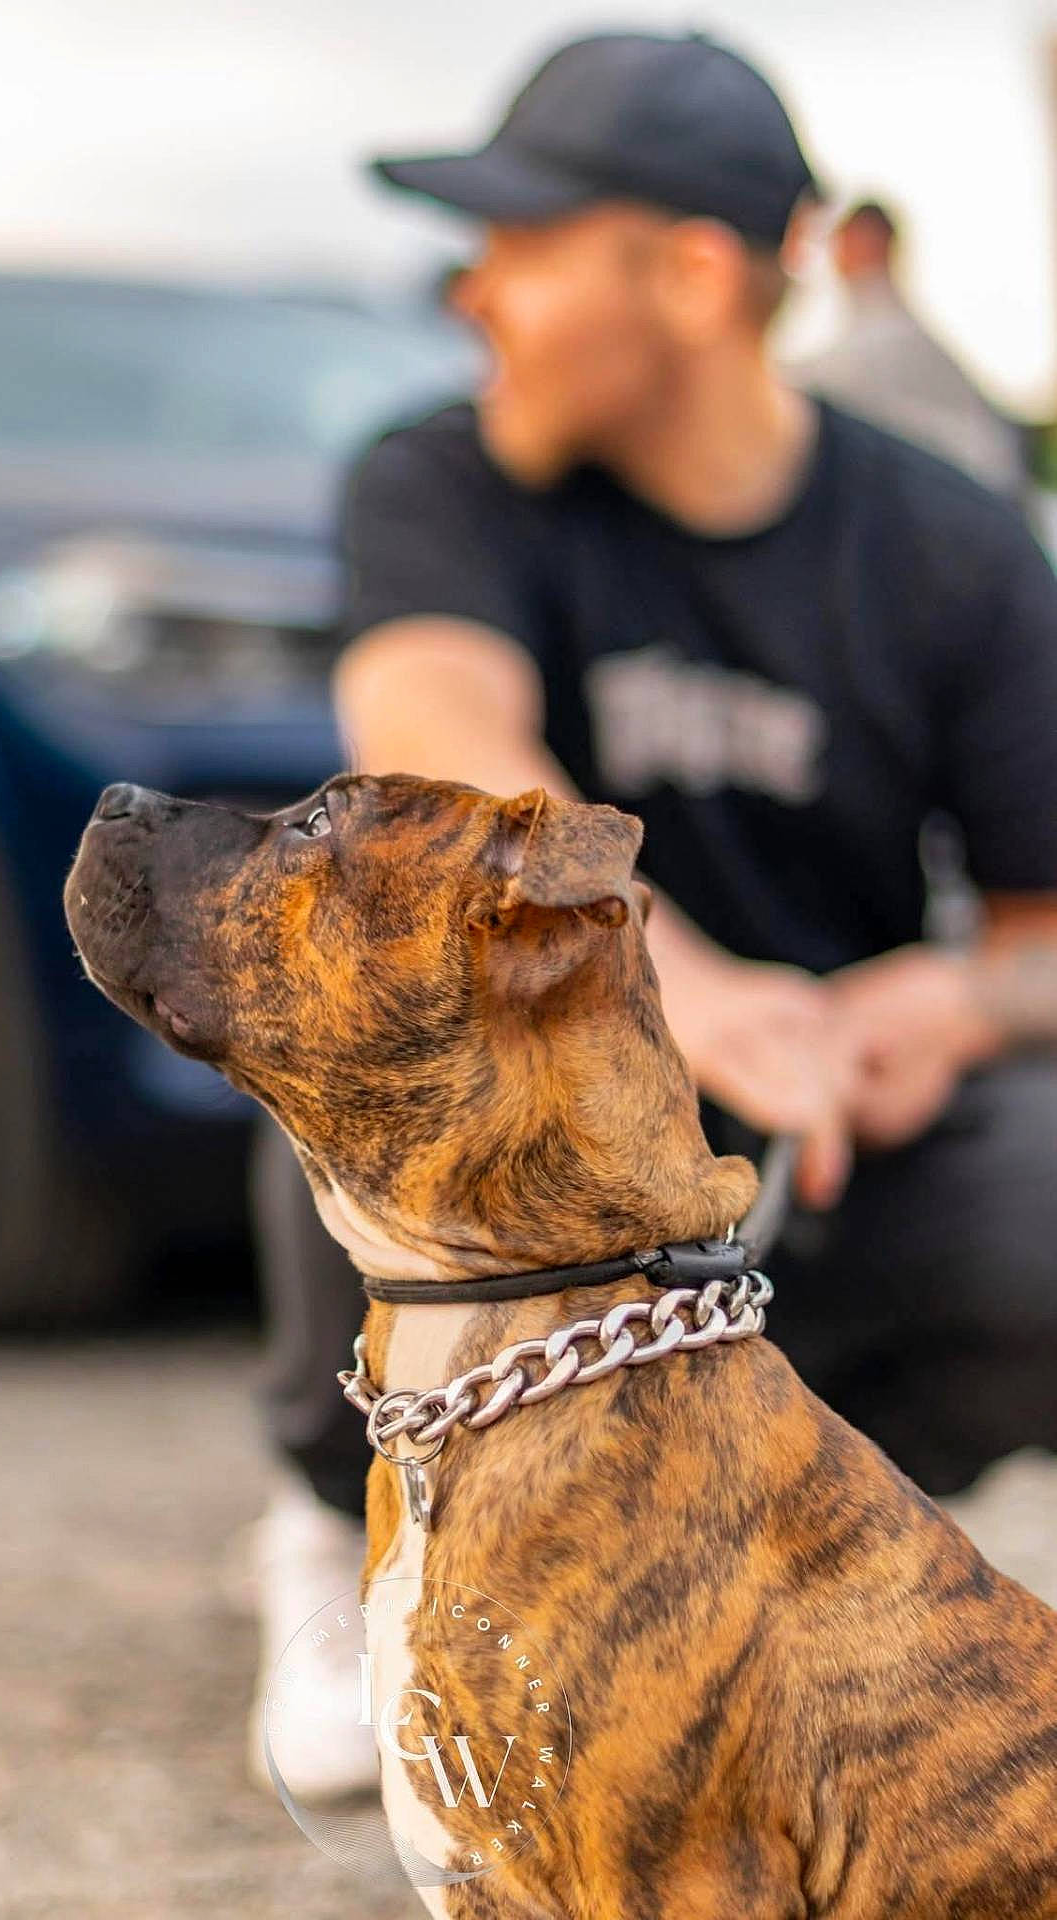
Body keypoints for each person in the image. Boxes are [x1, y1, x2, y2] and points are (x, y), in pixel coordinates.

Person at [244, 29, 1057, 1798]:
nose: (472, 294)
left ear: (690, 273)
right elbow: (436, 749)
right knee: (380, 994)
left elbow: (1035, 931)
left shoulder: (944, 547)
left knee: (1037, 1178)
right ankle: (356, 1526)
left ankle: (787, 1538)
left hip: (814, 1143)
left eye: (523, 245)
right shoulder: (439, 480)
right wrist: (673, 989)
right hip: (552, 1122)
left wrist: (942, 1008)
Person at [787, 198, 1028, 497]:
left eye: (846, 240)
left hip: (964, 496)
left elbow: (827, 380)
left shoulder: (889, 334)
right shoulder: (879, 326)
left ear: (876, 241)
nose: (837, 254)